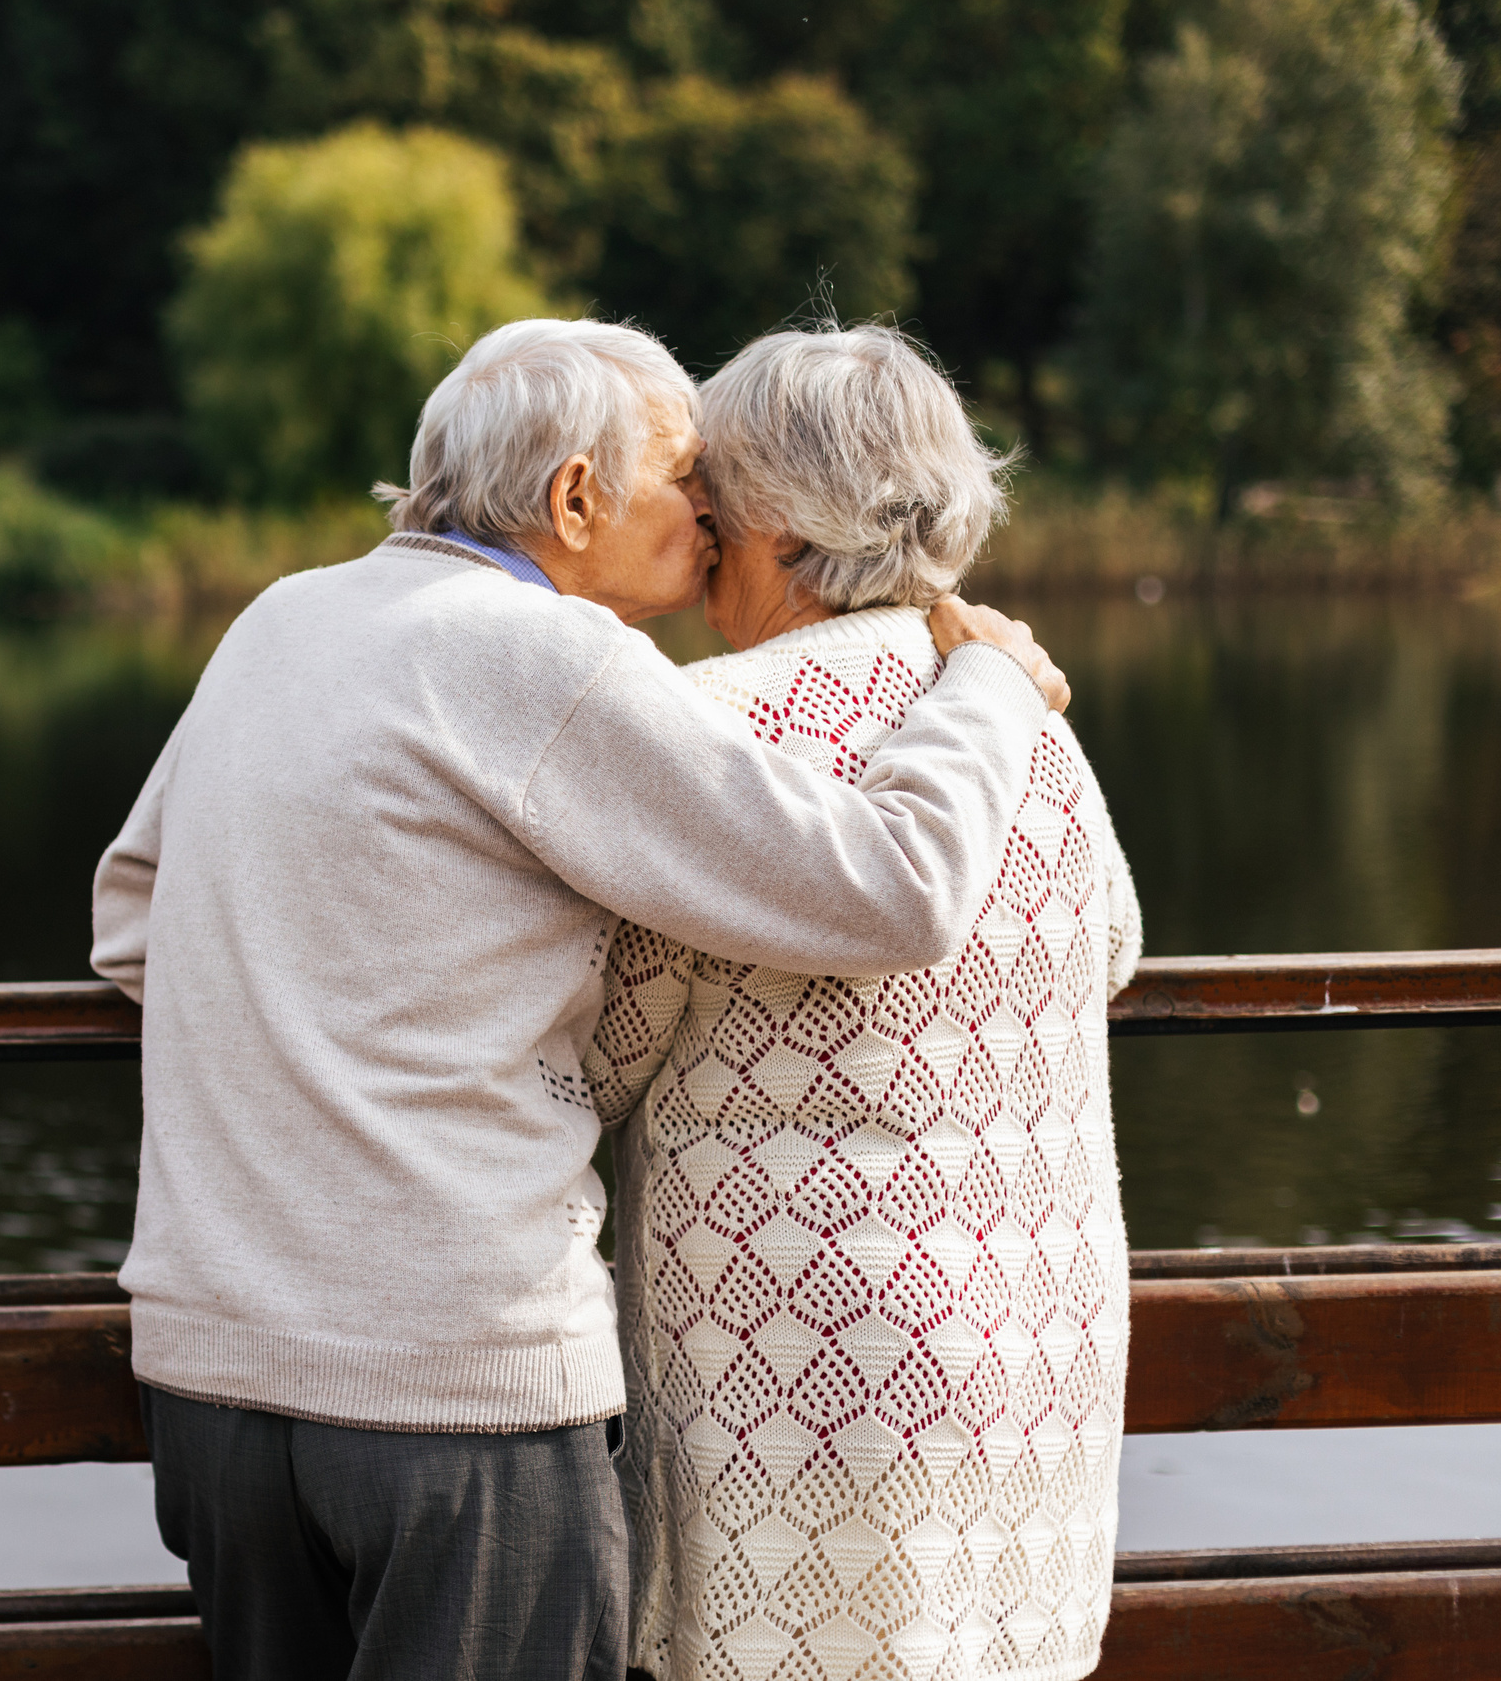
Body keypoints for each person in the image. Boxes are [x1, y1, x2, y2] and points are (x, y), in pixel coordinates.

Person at [90, 316, 1070, 1681]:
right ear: (573, 497)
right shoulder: (548, 659)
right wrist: (988, 685)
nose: (711, 507)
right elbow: (894, 890)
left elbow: (131, 923)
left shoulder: (278, 621)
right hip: (455, 1390)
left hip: (210, 1381)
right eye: (684, 475)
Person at [582, 324, 1142, 1681]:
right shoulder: (1022, 712)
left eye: (708, 494)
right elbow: (1110, 946)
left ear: (764, 519)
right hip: (1031, 1357)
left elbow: (600, 1048)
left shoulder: (710, 720)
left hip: (808, 1381)